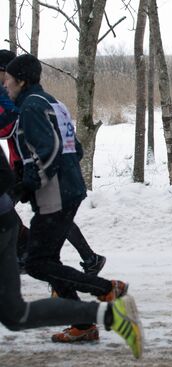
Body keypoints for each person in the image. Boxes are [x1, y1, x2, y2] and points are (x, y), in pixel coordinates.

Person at [3, 54, 128, 343]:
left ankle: (106, 288)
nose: (6, 86)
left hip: (55, 192)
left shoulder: (32, 106)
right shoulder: (52, 103)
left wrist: (30, 181)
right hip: (68, 188)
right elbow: (77, 149)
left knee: (36, 262)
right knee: (47, 260)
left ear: (21, 80)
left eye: (8, 81)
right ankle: (84, 324)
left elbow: (50, 148)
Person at [0, 145, 143, 358]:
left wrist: (31, 183)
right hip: (17, 215)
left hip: (20, 214)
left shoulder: (31, 114)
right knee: (16, 312)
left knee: (40, 266)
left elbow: (6, 176)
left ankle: (102, 295)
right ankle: (109, 315)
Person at [0, 49, 105, 275]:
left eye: (5, 76)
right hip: (42, 171)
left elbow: (12, 128)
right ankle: (84, 261)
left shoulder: (24, 102)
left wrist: (34, 177)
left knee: (36, 222)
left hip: (31, 168)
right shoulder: (43, 99)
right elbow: (74, 147)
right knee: (52, 224)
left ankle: (28, 255)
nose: (5, 82)